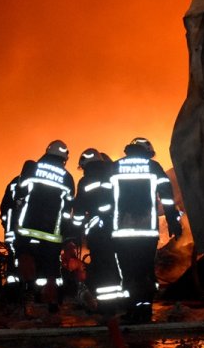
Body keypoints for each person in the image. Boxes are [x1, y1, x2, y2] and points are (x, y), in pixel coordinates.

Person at [109, 137, 183, 322]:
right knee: (145, 270)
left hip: (122, 231)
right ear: (147, 151)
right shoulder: (153, 167)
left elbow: (106, 198)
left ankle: (130, 309)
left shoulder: (116, 166)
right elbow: (166, 197)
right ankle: (145, 309)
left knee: (128, 272)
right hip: (146, 231)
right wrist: (173, 220)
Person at [13, 140, 75, 312]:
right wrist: (66, 233)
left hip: (27, 228)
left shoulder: (32, 168)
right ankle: (52, 302)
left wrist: (17, 218)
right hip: (51, 233)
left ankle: (27, 296)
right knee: (51, 269)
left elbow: (19, 194)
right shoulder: (67, 177)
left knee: (26, 260)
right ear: (65, 158)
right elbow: (68, 209)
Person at [73, 148, 125, 313]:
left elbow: (79, 210)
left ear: (84, 165)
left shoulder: (85, 182)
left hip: (98, 233)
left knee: (103, 268)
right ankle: (122, 302)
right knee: (118, 265)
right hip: (118, 229)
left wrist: (75, 232)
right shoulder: (113, 176)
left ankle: (107, 307)